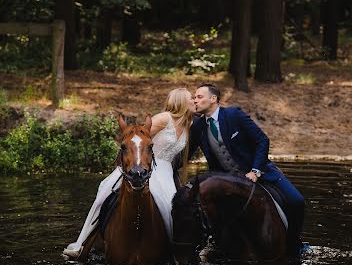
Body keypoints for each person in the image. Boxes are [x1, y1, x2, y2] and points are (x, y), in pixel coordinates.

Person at [63, 88, 195, 256]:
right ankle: (82, 245)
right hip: (146, 165)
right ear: (182, 101)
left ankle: (172, 251)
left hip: (166, 172)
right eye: (192, 98)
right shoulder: (163, 119)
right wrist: (130, 163)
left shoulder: (188, 124)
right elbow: (136, 139)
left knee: (172, 208)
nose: (195, 101)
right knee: (103, 194)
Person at [189, 83, 305, 256]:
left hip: (260, 173)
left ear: (213, 99)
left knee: (297, 201)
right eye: (194, 97)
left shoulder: (234, 114)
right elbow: (187, 154)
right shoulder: (198, 127)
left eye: (199, 97)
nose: (195, 101)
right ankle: (215, 245)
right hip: (226, 181)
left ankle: (295, 244)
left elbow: (262, 141)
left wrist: (256, 170)